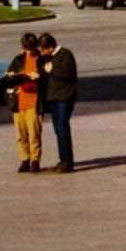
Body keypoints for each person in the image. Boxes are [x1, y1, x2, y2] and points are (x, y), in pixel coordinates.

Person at [38, 32, 78, 173]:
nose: (42, 53)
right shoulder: (47, 58)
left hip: (64, 98)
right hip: (53, 98)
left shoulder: (65, 54)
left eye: (43, 49)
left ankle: (67, 162)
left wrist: (52, 70)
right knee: (57, 130)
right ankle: (63, 160)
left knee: (62, 128)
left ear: (50, 47)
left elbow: (69, 74)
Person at [5, 32, 44, 172]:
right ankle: (24, 159)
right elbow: (8, 79)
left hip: (34, 102)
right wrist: (12, 76)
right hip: (19, 102)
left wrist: (39, 77)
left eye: (31, 48)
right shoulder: (18, 59)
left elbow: (47, 79)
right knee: (20, 134)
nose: (28, 51)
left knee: (34, 133)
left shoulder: (41, 59)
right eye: (26, 48)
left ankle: (35, 160)